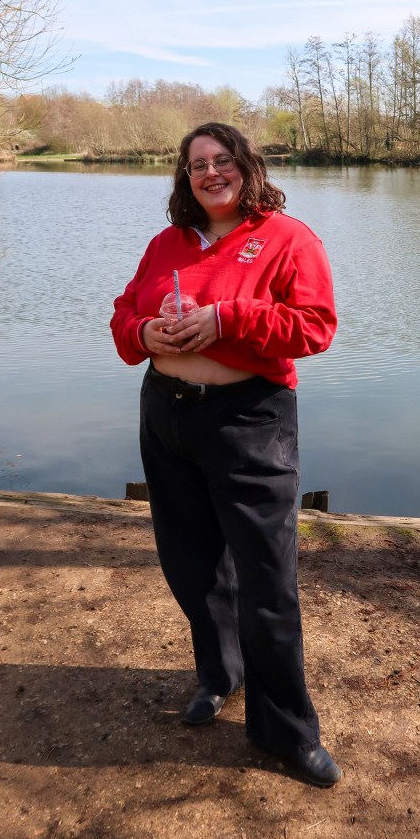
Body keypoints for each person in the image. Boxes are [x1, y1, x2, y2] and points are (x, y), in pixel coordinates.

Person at [110, 122, 342, 787]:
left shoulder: (286, 238)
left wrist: (226, 320)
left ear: (246, 166)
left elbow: (314, 328)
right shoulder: (167, 243)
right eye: (196, 165)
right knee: (190, 564)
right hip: (167, 415)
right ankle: (219, 672)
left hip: (249, 421)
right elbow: (123, 318)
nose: (209, 173)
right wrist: (144, 329)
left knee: (266, 581)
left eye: (221, 160)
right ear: (185, 178)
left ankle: (284, 732)